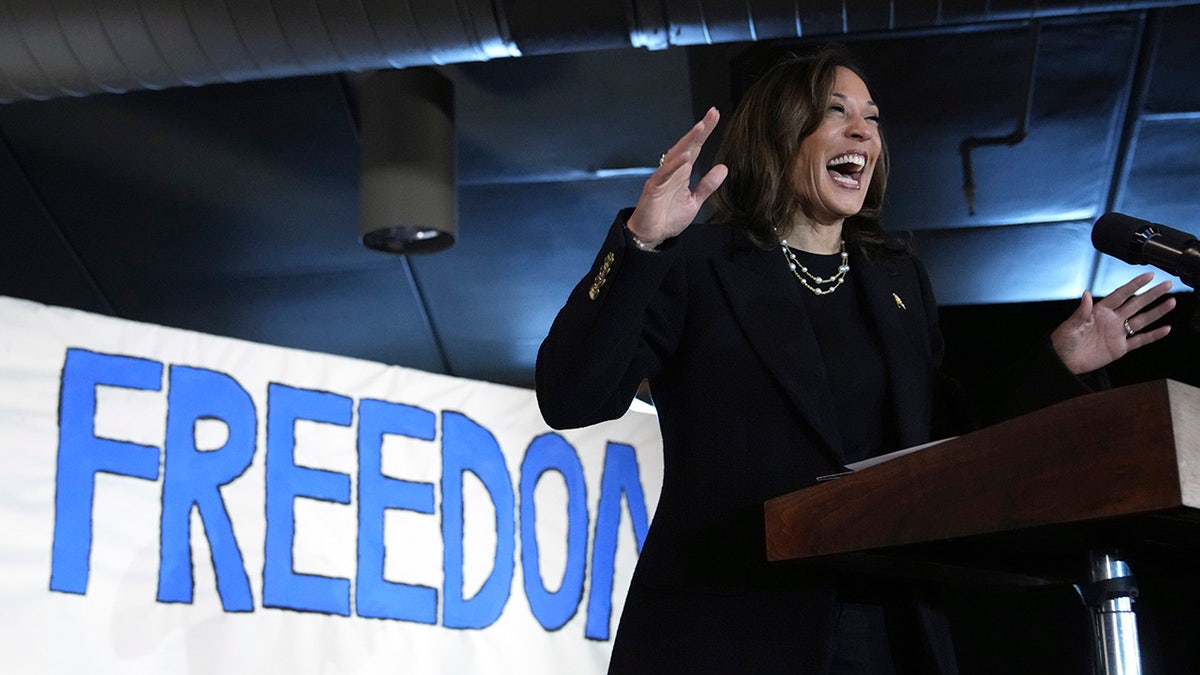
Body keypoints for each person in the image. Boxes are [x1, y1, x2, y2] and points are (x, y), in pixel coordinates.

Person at [535, 46, 1175, 674]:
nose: (862, 133)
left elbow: (947, 439)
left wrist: (1056, 361)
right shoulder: (696, 265)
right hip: (732, 621)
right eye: (836, 112)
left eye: (871, 118)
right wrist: (642, 242)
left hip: (889, 620)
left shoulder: (897, 280)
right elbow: (572, 397)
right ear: (780, 136)